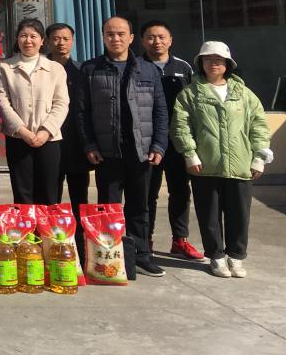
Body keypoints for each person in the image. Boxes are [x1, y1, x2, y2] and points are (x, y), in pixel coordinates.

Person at [171, 41, 272, 279]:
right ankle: (216, 257)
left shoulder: (244, 94)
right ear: (201, 63)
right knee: (209, 215)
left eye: (219, 59)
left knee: (239, 214)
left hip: (241, 165)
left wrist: (259, 157)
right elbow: (181, 127)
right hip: (205, 166)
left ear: (227, 64)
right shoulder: (190, 94)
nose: (214, 63)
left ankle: (236, 256)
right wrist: (190, 154)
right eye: (208, 59)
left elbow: (258, 126)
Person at [78, 16, 167, 278]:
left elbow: (160, 111)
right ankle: (109, 259)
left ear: (131, 38)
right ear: (103, 37)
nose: (115, 38)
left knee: (140, 207)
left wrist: (159, 144)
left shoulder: (148, 70)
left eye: (120, 34)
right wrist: (89, 144)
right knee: (108, 207)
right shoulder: (90, 69)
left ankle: (142, 255)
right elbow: (82, 112)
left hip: (141, 151)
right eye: (110, 34)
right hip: (107, 152)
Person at [140, 20, 203, 261]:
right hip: (148, 141)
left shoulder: (183, 67)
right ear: (142, 40)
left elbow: (194, 105)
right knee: (147, 193)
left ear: (170, 40)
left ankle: (180, 240)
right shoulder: (136, 66)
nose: (156, 41)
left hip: (177, 141)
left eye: (161, 37)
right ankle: (145, 239)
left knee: (180, 191)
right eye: (151, 37)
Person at [0, 18, 69, 205]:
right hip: (18, 139)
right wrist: (22, 130)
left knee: (49, 192)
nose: (28, 40)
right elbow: (2, 101)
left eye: (33, 36)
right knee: (23, 193)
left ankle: (47, 225)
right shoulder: (6, 68)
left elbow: (61, 103)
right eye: (23, 36)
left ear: (42, 40)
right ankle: (26, 225)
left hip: (49, 139)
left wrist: (46, 131)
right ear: (17, 39)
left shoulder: (55, 68)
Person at [45, 22, 90, 255]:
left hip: (76, 143)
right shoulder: (41, 68)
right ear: (47, 41)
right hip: (48, 140)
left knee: (79, 196)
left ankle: (81, 244)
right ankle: (50, 241)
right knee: (50, 195)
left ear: (72, 41)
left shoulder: (82, 71)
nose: (60, 43)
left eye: (65, 38)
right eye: (56, 38)